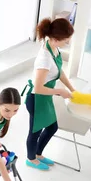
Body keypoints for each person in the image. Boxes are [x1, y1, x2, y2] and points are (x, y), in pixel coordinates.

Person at [23, 17, 76, 171]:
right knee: (35, 131)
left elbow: (59, 72)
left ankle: (38, 154)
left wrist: (72, 89)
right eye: (65, 40)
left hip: (44, 98)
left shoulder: (54, 48)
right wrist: (60, 91)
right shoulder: (44, 59)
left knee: (52, 127)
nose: (67, 43)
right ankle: (30, 158)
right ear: (55, 39)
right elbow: (38, 88)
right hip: (36, 99)